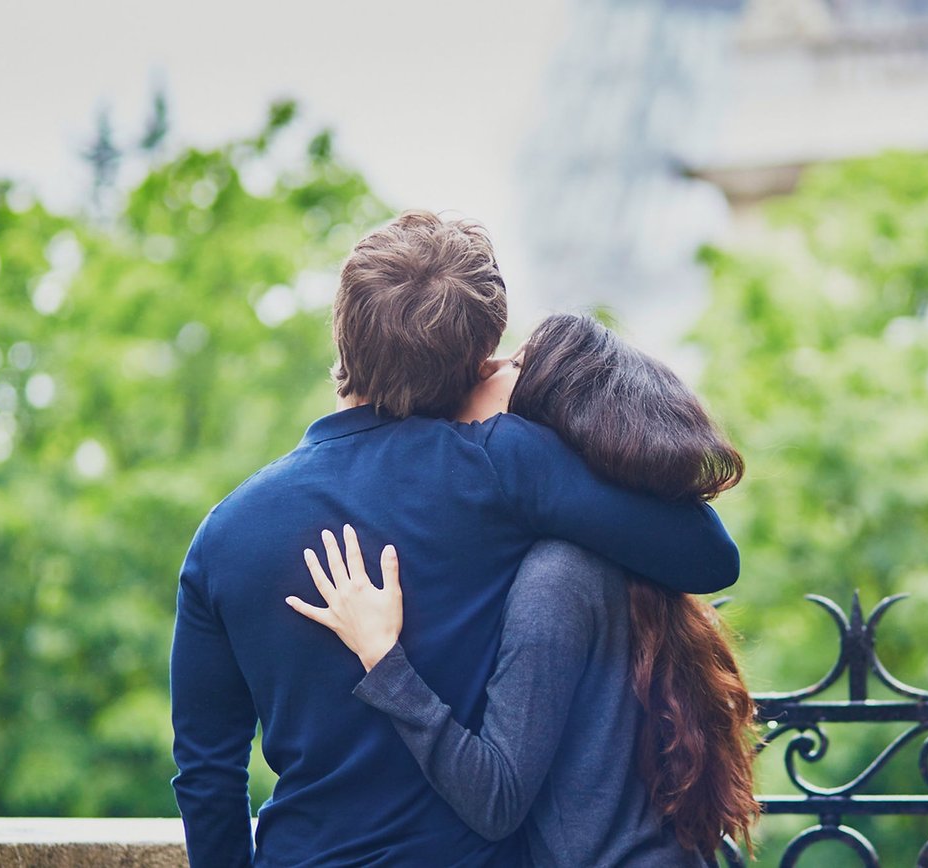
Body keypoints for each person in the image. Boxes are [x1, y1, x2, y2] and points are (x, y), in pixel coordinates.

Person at [169, 213, 741, 868]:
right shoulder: (502, 466)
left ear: (342, 328)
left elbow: (208, 775)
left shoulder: (226, 534)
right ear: (479, 357)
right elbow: (707, 554)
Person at [288, 313, 760, 867]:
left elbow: (496, 800)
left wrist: (382, 658)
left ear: (535, 419)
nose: (488, 365)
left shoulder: (560, 575)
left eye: (513, 361)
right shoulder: (611, 554)